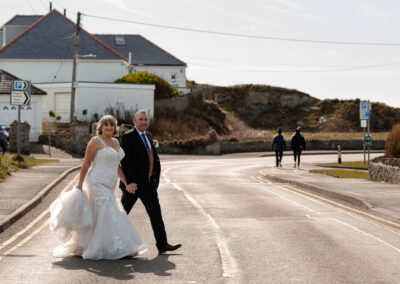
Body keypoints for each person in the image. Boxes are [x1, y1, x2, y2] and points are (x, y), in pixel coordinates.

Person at [49, 115, 147, 259]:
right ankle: (120, 247)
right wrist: (79, 184)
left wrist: (126, 182)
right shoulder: (95, 141)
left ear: (115, 128)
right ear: (100, 127)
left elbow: (117, 166)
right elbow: (86, 163)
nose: (109, 127)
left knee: (99, 215)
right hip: (96, 181)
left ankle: (92, 245)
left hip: (110, 184)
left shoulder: (115, 142)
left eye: (111, 125)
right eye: (106, 124)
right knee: (110, 212)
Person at [119, 110, 182, 254]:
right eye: (140, 119)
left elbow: (152, 158)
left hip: (148, 185)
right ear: (134, 121)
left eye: (146, 119)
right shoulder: (127, 137)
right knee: (121, 216)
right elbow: (125, 161)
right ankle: (111, 242)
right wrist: (130, 182)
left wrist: (154, 180)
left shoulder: (148, 135)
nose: (143, 122)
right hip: (132, 186)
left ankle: (162, 245)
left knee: (156, 215)